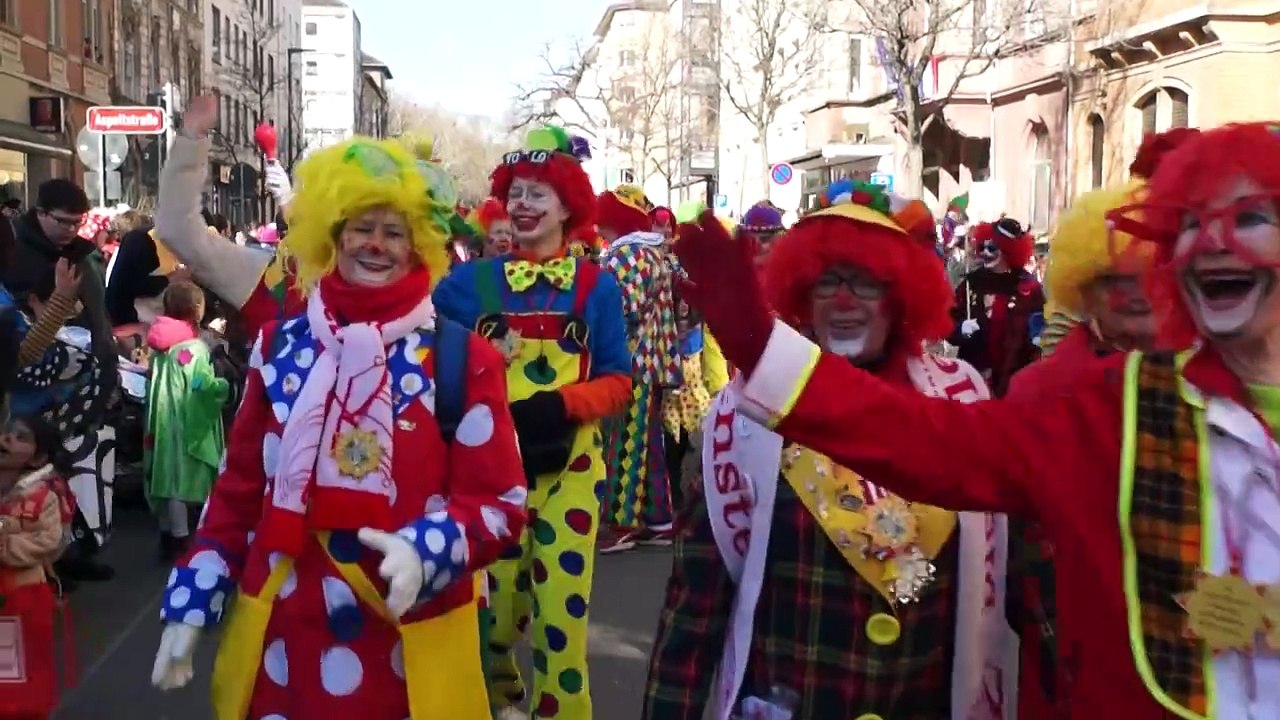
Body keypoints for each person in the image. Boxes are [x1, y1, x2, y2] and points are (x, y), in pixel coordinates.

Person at [674, 121, 1280, 719]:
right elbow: (926, 443)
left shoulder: (987, 388)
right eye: (1192, 225)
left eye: (1249, 218)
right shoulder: (1110, 406)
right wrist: (762, 348)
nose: (1213, 243)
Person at [150, 135, 527, 719]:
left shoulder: (462, 358)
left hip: (411, 638)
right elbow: (239, 489)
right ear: (332, 235)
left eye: (394, 231)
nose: (375, 245)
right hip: (287, 639)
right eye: (360, 227)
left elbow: (499, 503)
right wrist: (193, 599)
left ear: (418, 246)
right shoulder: (280, 347)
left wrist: (425, 550)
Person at [646, 181, 1015, 720]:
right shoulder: (744, 411)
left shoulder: (960, 397)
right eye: (827, 283)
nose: (844, 302)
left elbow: (1019, 578)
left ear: (900, 295)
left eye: (866, 283)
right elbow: (695, 606)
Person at [433, 126, 632, 720]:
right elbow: (415, 336)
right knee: (495, 619)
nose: (521, 204)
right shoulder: (468, 286)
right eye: (515, 192)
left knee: (561, 625)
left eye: (537, 194)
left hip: (572, 472)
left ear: (568, 207)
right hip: (491, 475)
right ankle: (498, 690)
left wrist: (563, 405)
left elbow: (620, 380)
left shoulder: (599, 287)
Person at [153, 95, 306, 339]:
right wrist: (190, 145)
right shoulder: (272, 278)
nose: (371, 243)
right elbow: (177, 228)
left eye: (390, 231)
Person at [597, 185, 682, 552]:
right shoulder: (655, 253)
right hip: (655, 359)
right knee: (648, 441)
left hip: (631, 362)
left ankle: (622, 523)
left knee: (625, 443)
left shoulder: (626, 256)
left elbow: (623, 310)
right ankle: (660, 518)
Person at [143, 281, 229, 562]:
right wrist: (225, 387)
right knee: (181, 480)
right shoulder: (193, 348)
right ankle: (182, 537)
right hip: (184, 421)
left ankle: (166, 533)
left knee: (164, 477)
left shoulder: (159, 343)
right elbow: (201, 384)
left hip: (162, 420)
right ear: (196, 311)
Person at [0, 415, 76, 720]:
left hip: (23, 597)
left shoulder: (42, 497)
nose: (7, 439)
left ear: (38, 457)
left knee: (18, 670)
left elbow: (49, 541)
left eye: (20, 437)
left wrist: (5, 546)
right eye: (7, 433)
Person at [949, 217, 1044, 395]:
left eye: (992, 248)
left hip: (1013, 382)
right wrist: (960, 328)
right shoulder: (971, 284)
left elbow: (1039, 332)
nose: (985, 253)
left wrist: (1037, 340)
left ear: (1009, 251)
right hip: (972, 380)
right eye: (982, 247)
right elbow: (947, 322)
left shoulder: (1028, 288)